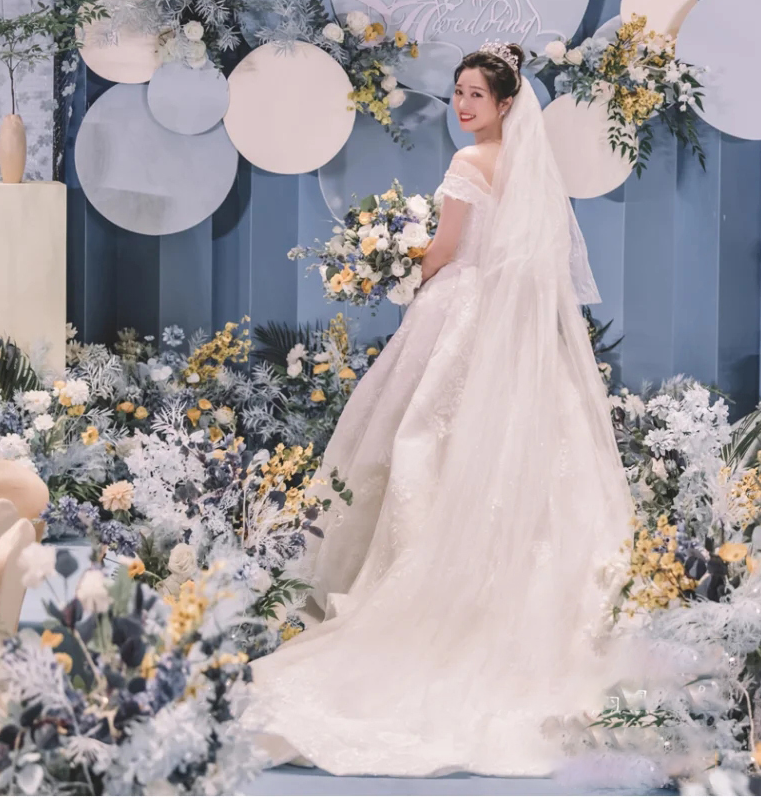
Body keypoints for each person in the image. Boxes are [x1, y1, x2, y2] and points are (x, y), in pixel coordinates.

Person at [246, 42, 636, 777]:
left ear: (505, 104)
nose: (461, 106)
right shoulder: (531, 168)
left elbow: (448, 250)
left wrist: (397, 265)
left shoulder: (467, 163)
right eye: (457, 93)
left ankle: (428, 585)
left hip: (462, 313)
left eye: (475, 96)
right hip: (516, 330)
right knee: (521, 450)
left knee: (424, 435)